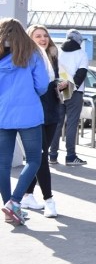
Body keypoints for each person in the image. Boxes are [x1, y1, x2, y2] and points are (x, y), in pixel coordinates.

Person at [0, 18, 50, 225]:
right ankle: (14, 202)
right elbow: (42, 85)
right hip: (29, 114)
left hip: (2, 114)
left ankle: (8, 208)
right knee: (34, 159)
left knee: (2, 164)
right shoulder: (33, 53)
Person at [21, 24, 64, 218]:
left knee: (39, 155)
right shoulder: (26, 58)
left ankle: (27, 195)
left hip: (52, 110)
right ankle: (49, 201)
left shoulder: (53, 57)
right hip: (34, 112)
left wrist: (62, 84)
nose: (43, 39)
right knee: (40, 156)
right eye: (37, 36)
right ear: (29, 38)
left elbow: (54, 81)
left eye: (45, 36)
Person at [49, 29, 89, 166]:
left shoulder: (58, 52)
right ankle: (70, 156)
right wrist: (70, 88)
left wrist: (62, 87)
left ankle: (52, 155)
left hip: (58, 89)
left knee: (57, 124)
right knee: (71, 123)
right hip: (75, 91)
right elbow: (81, 74)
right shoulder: (81, 54)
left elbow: (53, 72)